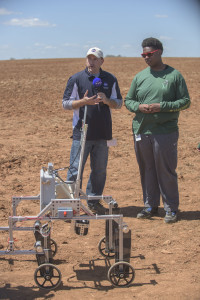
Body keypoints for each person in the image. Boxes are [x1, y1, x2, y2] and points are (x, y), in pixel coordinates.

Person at [125, 37, 190, 223]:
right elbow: (129, 101)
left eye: (149, 54)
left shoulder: (174, 75)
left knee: (166, 170)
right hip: (141, 130)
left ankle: (171, 209)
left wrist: (162, 106)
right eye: (143, 54)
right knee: (147, 169)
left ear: (159, 52)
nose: (146, 57)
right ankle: (150, 206)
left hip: (165, 131)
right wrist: (139, 107)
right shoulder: (140, 77)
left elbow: (185, 101)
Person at [62, 47, 122, 214]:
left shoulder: (110, 79)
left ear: (101, 61)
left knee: (100, 170)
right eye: (89, 58)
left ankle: (94, 201)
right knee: (75, 170)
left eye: (95, 59)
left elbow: (118, 103)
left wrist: (107, 100)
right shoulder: (76, 79)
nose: (91, 62)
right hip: (81, 133)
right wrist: (83, 102)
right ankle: (69, 205)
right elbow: (65, 103)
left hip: (103, 133)